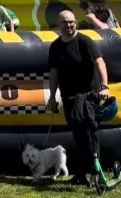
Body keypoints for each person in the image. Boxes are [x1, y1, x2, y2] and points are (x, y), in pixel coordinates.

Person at [46, 10, 110, 184]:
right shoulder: (55, 46)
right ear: (59, 25)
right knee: (78, 134)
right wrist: (52, 96)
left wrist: (104, 86)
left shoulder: (85, 41)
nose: (69, 25)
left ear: (75, 22)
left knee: (90, 131)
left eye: (72, 22)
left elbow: (100, 62)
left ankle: (96, 172)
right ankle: (81, 174)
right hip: (70, 97)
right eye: (65, 23)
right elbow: (54, 73)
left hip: (89, 95)